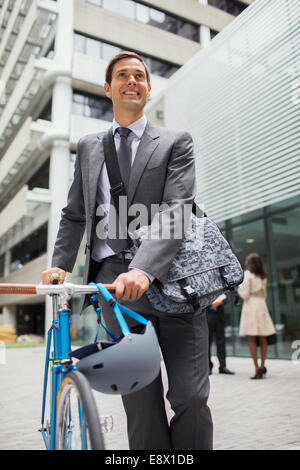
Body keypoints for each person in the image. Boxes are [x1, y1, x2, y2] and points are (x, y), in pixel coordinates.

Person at [41, 51, 213, 450]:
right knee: (140, 400)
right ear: (108, 88)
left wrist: (144, 268)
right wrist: (58, 266)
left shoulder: (175, 142)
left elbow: (176, 210)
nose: (132, 80)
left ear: (149, 89)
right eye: (122, 75)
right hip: (113, 290)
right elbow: (74, 214)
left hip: (173, 283)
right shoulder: (88, 147)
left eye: (140, 75)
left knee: (191, 395)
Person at [238, 253, 276, 379]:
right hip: (262, 306)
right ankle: (263, 365)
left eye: (247, 261)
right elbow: (264, 294)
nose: (245, 262)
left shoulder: (247, 275)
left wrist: (239, 287)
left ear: (250, 263)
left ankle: (256, 368)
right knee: (263, 337)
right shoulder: (263, 275)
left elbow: (245, 295)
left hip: (251, 306)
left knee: (252, 338)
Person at [207, 294, 235, 375]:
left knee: (221, 343)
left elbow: (226, 298)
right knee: (207, 343)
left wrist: (221, 302)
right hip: (208, 318)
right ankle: (208, 367)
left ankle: (223, 366)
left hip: (219, 317)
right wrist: (211, 304)